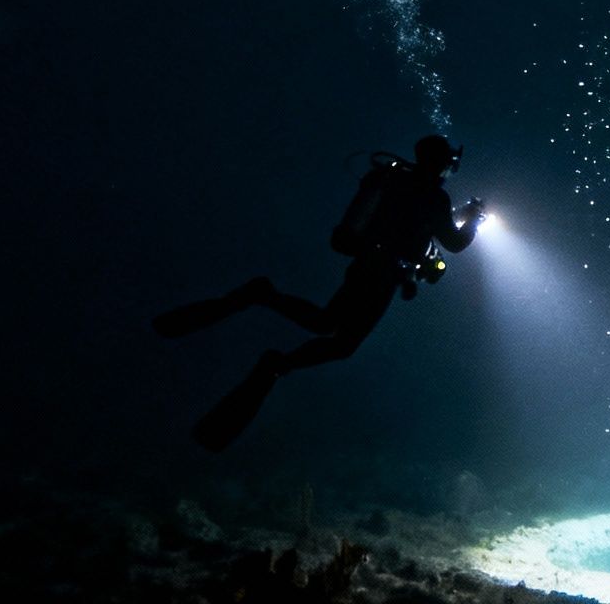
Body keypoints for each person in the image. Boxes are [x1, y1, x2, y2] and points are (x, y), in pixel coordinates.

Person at [153, 134, 487, 450]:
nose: (450, 169)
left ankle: (266, 308)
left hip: (366, 267)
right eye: (449, 163)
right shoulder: (432, 196)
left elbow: (408, 227)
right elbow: (454, 243)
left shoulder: (397, 183)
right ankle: (275, 352)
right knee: (341, 343)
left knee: (326, 324)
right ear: (441, 162)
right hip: (382, 276)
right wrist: (473, 220)